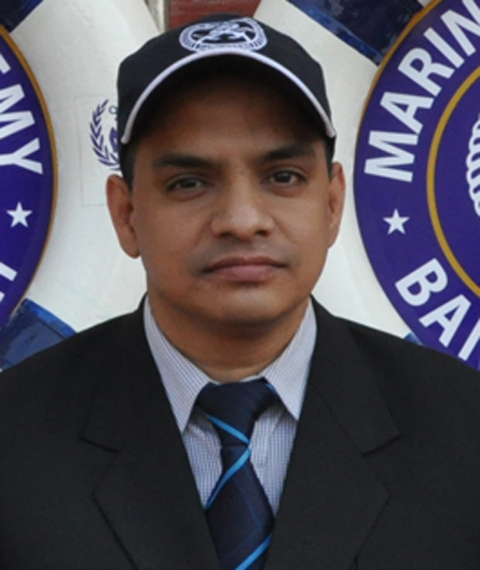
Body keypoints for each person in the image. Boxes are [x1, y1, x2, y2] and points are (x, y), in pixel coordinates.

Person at [1, 13, 480, 570]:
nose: (242, 219)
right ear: (126, 214)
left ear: (332, 204)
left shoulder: (463, 431)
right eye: (189, 183)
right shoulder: (14, 441)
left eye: (283, 177)